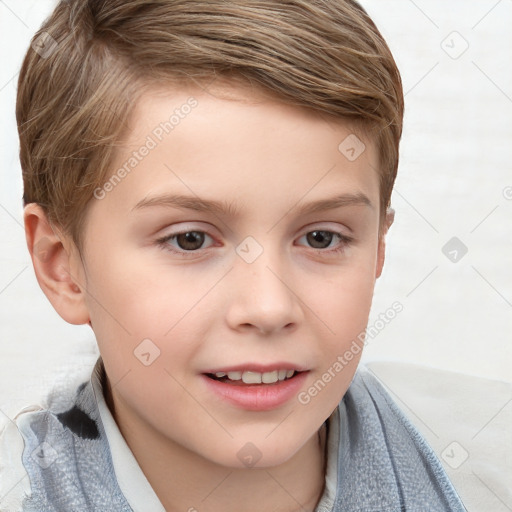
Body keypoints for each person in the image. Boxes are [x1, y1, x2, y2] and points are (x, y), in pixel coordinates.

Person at [0, 0, 467, 510]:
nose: (268, 308)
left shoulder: (483, 463)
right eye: (190, 240)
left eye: (321, 238)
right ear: (61, 267)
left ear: (378, 246)